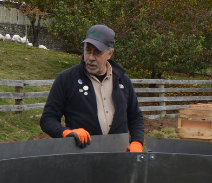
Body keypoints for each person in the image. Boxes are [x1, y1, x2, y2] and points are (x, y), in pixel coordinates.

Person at [38, 24, 146, 152]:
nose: (90, 58)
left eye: (97, 53)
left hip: (118, 159)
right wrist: (66, 132)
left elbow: (135, 116)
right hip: (82, 157)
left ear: (110, 53)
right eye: (88, 51)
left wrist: (137, 142)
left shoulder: (123, 81)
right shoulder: (66, 79)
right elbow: (47, 119)